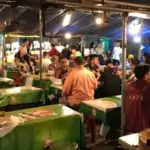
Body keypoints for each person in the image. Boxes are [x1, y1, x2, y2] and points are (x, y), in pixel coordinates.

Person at [125, 64, 150, 133]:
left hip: (129, 122)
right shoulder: (147, 88)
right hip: (143, 126)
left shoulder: (129, 86)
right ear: (145, 76)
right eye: (149, 73)